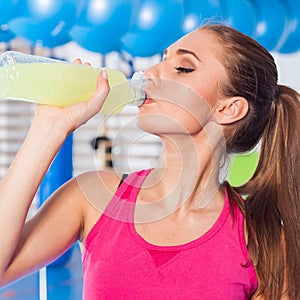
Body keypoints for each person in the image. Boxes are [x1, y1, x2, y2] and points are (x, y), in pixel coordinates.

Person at [0, 24, 299, 300]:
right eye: (162, 59)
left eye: (183, 68)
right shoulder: (94, 198)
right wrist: (49, 127)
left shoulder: (264, 242)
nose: (151, 72)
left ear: (228, 109)